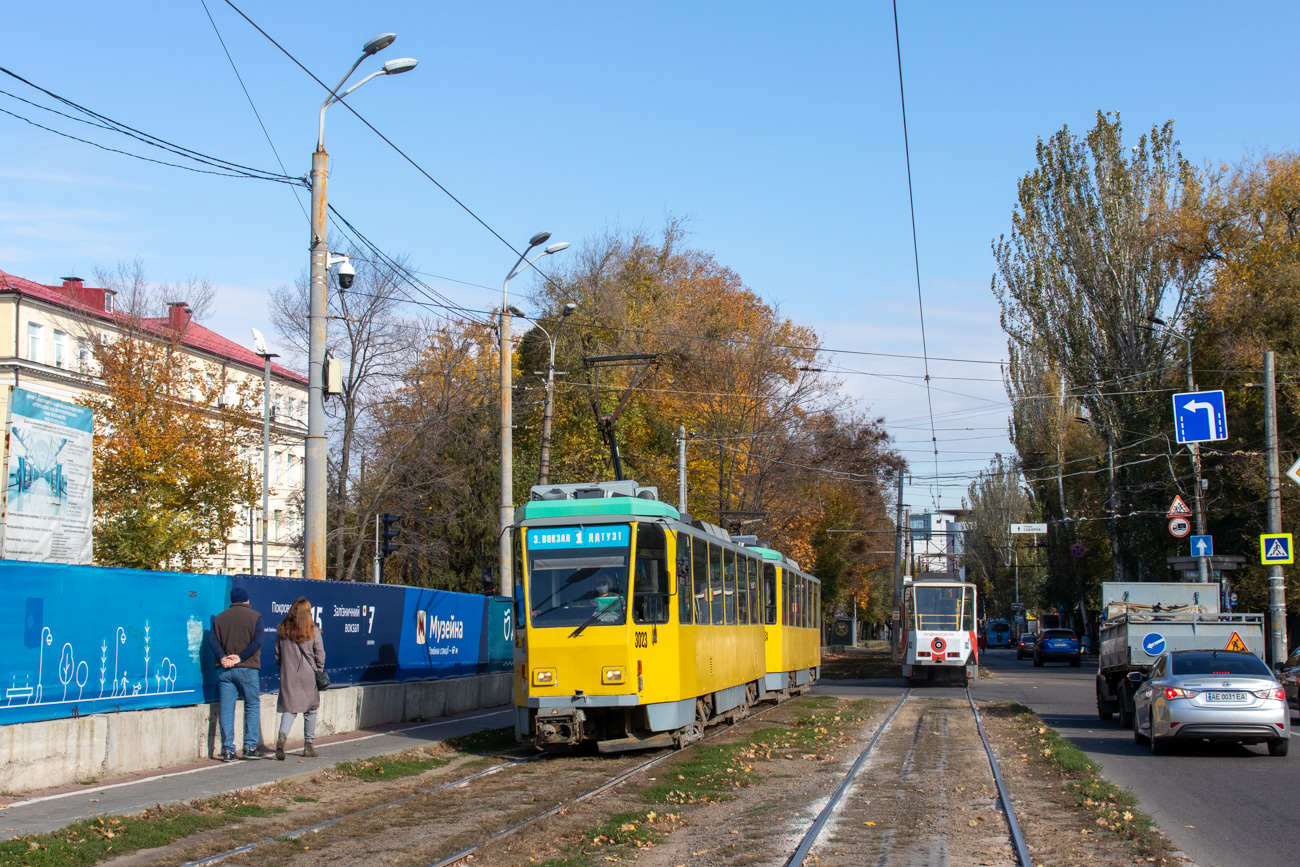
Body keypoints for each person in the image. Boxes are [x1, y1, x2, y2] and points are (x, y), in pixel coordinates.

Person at [209, 586, 264, 761]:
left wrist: (223, 658)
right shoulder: (255, 617)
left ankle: (228, 750)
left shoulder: (220, 618)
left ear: (232, 601)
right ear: (247, 600)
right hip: (247, 668)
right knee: (252, 705)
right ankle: (250, 747)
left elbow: (213, 641)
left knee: (226, 709)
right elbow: (257, 642)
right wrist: (240, 658)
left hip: (225, 670)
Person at [274, 597, 325, 760]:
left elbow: (277, 655)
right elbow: (320, 654)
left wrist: (283, 669)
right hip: (308, 676)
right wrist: (319, 671)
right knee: (310, 710)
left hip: (288, 675)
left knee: (289, 709)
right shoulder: (313, 631)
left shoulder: (282, 631)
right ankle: (308, 746)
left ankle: (282, 738)